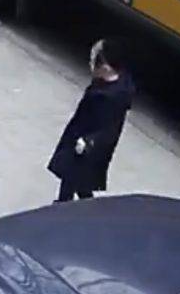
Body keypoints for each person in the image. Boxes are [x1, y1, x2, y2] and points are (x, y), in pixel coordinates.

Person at [48, 38, 135, 202]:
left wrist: (89, 141)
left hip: (86, 146)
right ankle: (81, 206)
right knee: (80, 183)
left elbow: (110, 128)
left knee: (70, 177)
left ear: (104, 67)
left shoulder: (111, 97)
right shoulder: (115, 84)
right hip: (81, 139)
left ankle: (61, 207)